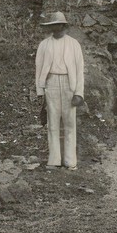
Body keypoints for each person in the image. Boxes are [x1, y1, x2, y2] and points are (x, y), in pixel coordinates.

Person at [34, 12, 85, 169]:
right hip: (51, 82)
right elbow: (39, 67)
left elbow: (79, 70)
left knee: (69, 122)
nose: (54, 28)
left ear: (63, 25)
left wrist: (78, 93)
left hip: (69, 82)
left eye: (56, 24)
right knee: (52, 122)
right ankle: (54, 160)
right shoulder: (44, 45)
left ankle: (70, 161)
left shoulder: (74, 44)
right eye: (51, 25)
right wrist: (40, 89)